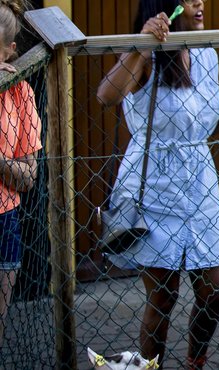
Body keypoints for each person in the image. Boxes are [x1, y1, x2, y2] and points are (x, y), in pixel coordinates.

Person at [95, 0, 219, 368]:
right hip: (154, 182)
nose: (199, 2)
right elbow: (106, 95)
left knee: (215, 290)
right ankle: (151, 365)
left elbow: (204, 128)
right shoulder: (146, 54)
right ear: (164, 4)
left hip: (200, 182)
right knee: (164, 296)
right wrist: (141, 43)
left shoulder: (205, 53)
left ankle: (195, 362)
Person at [0, 0, 40, 350]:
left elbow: (28, 177)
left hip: (4, 219)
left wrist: (0, 162)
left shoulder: (19, 92)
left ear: (10, 52)